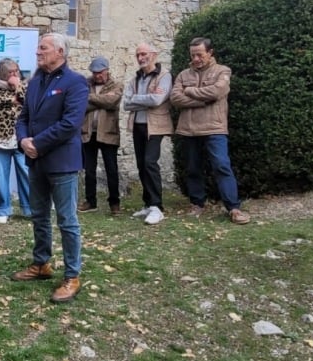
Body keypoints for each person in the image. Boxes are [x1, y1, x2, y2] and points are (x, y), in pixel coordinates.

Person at [10, 33, 89, 303]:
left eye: (43, 48)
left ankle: (72, 275)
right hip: (36, 160)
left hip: (61, 161)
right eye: (38, 48)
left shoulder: (75, 82)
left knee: (67, 220)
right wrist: (23, 140)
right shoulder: (35, 82)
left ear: (60, 52)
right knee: (39, 215)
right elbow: (23, 117)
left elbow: (70, 123)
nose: (38, 52)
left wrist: (38, 143)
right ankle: (41, 263)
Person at [170, 37, 251, 224]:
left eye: (199, 54)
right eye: (193, 55)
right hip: (188, 130)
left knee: (222, 166)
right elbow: (175, 98)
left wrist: (189, 91)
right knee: (192, 169)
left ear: (210, 53)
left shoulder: (222, 71)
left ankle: (234, 208)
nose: (196, 58)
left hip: (214, 128)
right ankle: (197, 203)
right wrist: (203, 100)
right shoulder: (183, 75)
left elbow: (217, 92)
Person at [122, 42, 172, 225]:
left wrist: (135, 99)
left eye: (144, 54)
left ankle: (157, 207)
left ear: (154, 55)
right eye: (138, 55)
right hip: (138, 125)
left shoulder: (164, 76)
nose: (141, 58)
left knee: (150, 163)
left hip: (155, 126)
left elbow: (158, 99)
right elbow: (126, 104)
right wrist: (144, 100)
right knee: (141, 164)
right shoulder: (135, 78)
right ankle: (148, 204)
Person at [0, 57, 31, 224]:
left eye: (16, 71)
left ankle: (30, 208)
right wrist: (10, 100)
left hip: (21, 137)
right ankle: (2, 209)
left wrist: (18, 87)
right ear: (2, 74)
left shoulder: (25, 85)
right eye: (10, 72)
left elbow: (29, 102)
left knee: (26, 172)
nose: (14, 74)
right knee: (0, 176)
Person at [79, 56, 122, 214]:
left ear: (107, 71)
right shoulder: (85, 84)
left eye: (100, 73)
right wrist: (102, 100)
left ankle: (114, 203)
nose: (97, 76)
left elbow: (112, 102)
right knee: (89, 169)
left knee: (111, 169)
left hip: (108, 132)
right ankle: (91, 201)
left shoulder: (116, 84)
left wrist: (90, 98)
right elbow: (80, 105)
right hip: (88, 132)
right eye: (94, 73)